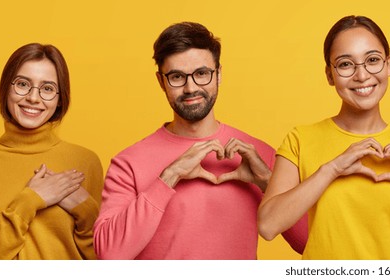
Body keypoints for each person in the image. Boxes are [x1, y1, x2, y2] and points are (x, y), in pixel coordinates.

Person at [257, 15, 390, 260]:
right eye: (346, 64)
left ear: (389, 65)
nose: (362, 75)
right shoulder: (300, 140)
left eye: (373, 60)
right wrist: (332, 169)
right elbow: (268, 225)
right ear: (329, 74)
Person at [93, 22, 307, 259]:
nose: (191, 87)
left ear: (219, 74)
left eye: (202, 74)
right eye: (176, 77)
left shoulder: (258, 154)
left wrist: (266, 181)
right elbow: (109, 255)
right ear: (160, 81)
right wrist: (169, 176)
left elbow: (310, 242)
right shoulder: (128, 163)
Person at [0, 43, 103, 259]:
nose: (33, 98)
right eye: (23, 84)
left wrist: (86, 211)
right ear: (6, 88)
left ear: (60, 98)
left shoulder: (85, 162)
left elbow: (103, 259)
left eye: (47, 88)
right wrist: (30, 200)